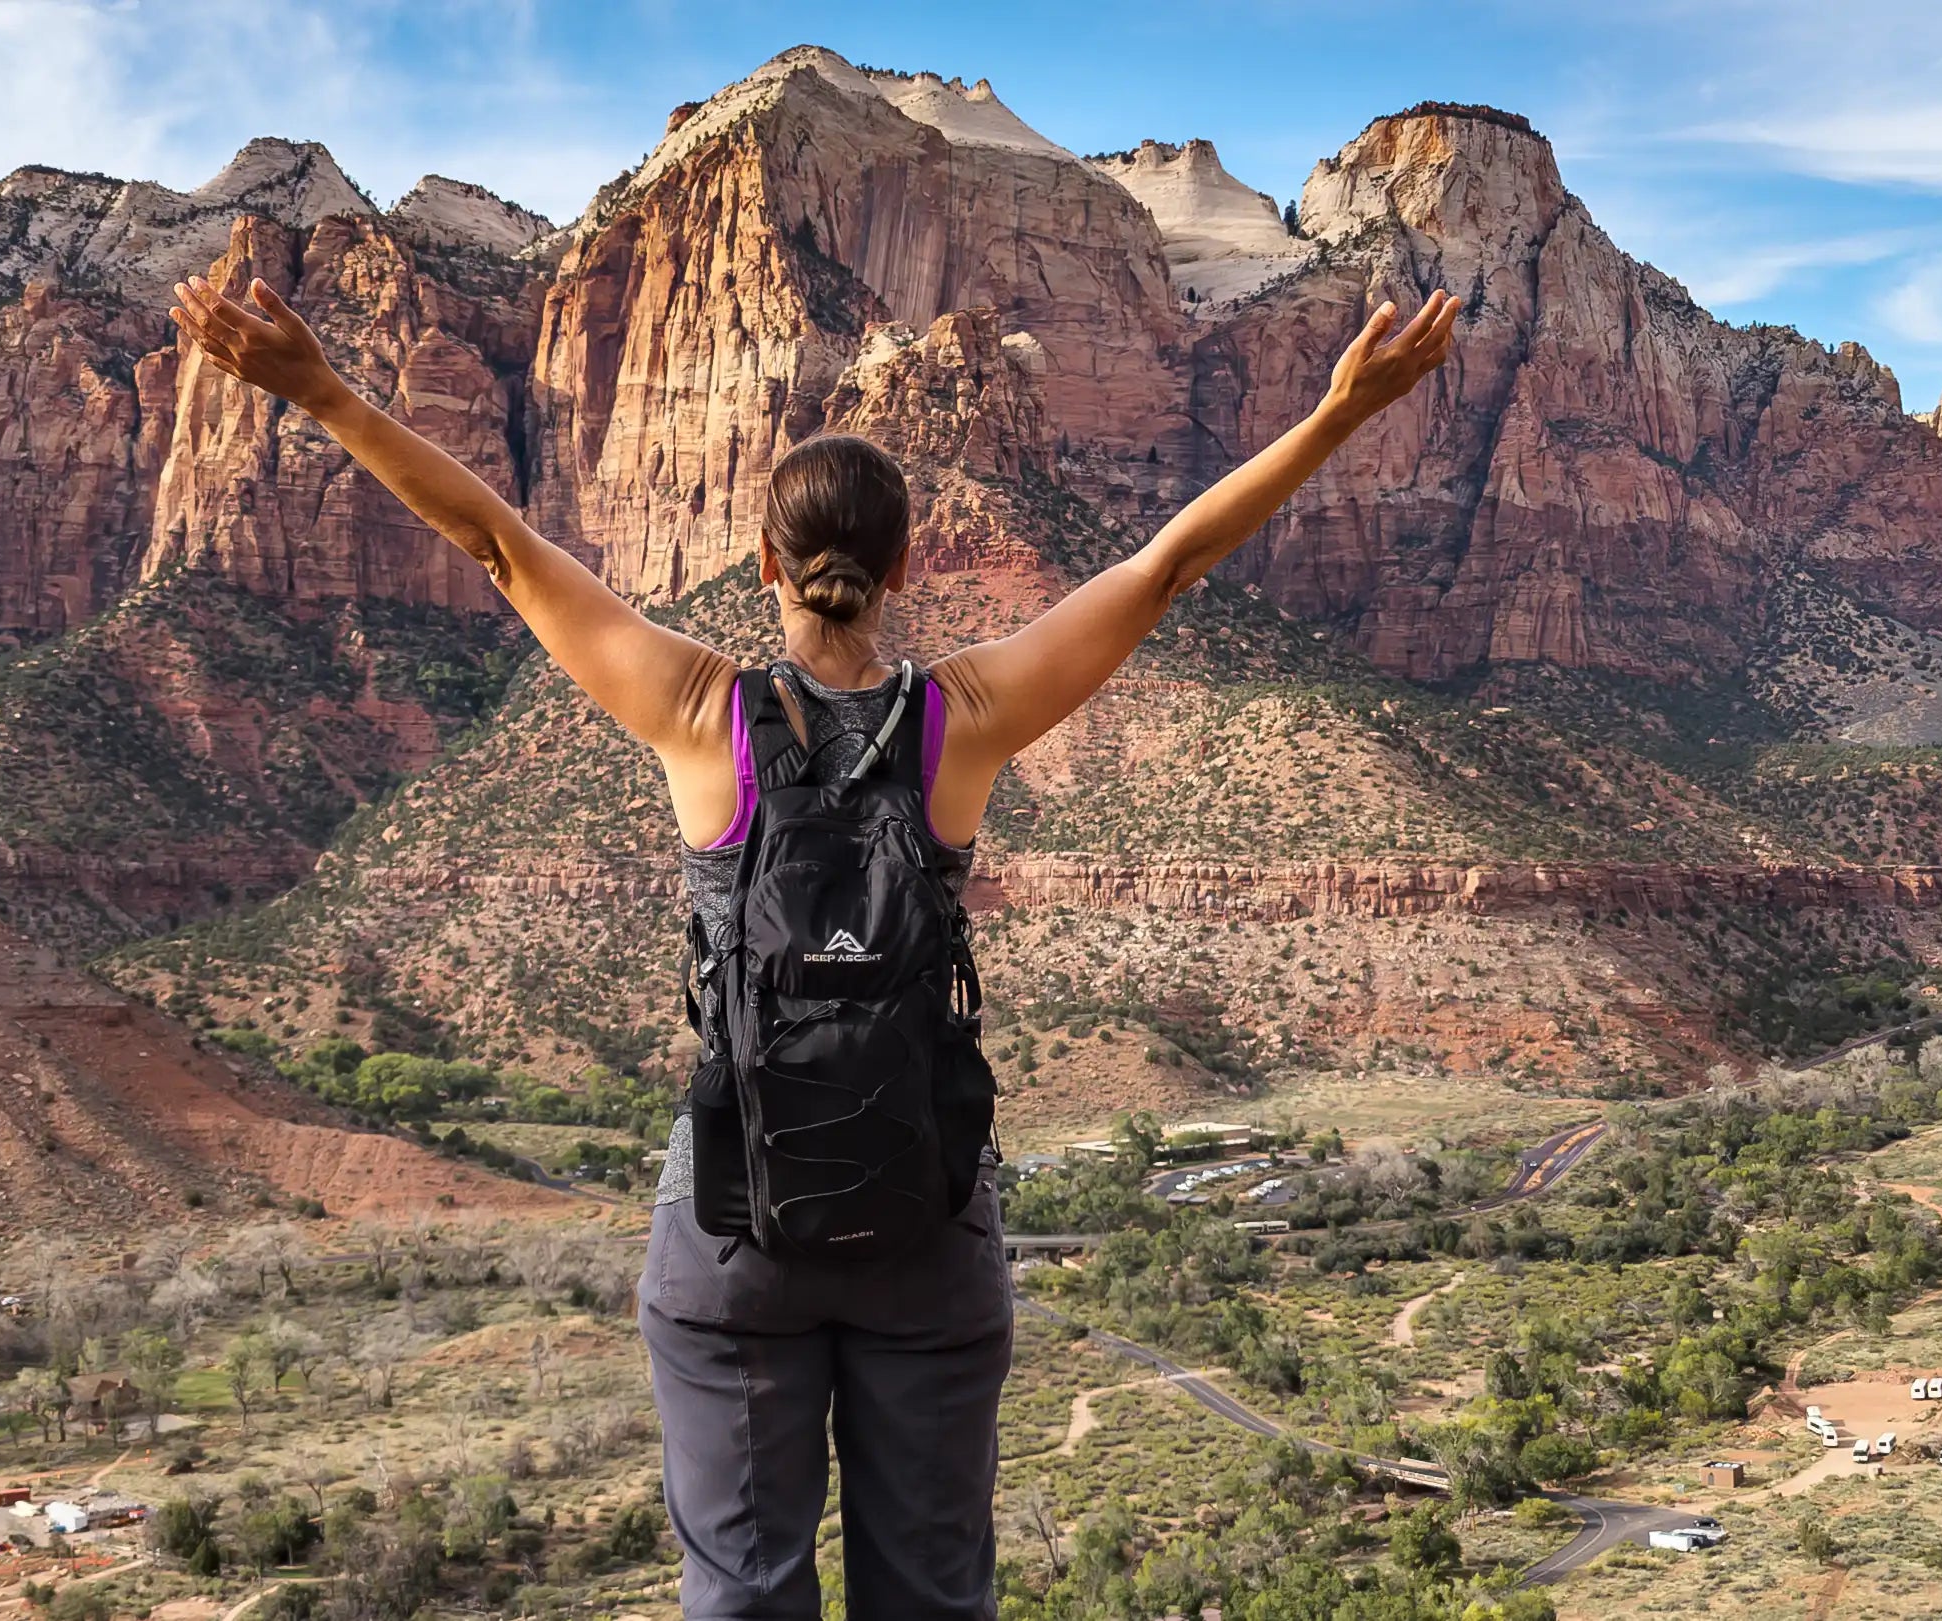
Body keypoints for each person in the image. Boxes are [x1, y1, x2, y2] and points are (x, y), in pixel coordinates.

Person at [171, 271, 1459, 1618]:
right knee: (930, 1595)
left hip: (733, 1221)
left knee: (741, 1589)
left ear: (770, 565)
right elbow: (1166, 565)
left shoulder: (693, 709)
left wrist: (314, 388)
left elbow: (494, 543)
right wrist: (1333, 417)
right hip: (925, 1220)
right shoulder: (961, 717)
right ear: (909, 566)